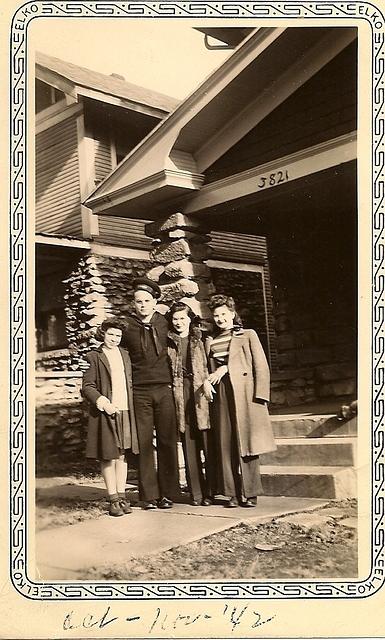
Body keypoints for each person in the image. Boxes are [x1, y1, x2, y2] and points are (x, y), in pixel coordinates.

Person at [206, 294, 276, 508]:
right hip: (221, 393)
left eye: (224, 314)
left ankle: (250, 491)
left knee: (246, 444)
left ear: (232, 314)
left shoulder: (247, 334)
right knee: (225, 443)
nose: (220, 319)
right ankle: (232, 493)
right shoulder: (211, 339)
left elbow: (261, 366)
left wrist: (261, 396)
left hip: (245, 394)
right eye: (216, 315)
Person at [121, 277, 180, 510]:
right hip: (140, 392)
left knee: (167, 440)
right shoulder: (127, 326)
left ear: (155, 301)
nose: (143, 305)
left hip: (164, 389)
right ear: (133, 304)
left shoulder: (165, 323)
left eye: (147, 300)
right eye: (138, 301)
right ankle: (148, 496)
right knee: (144, 443)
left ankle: (167, 493)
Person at [82, 318, 139, 517]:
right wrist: (103, 403)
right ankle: (112, 498)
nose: (114, 339)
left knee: (122, 455)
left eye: (118, 336)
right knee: (108, 455)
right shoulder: (94, 356)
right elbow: (87, 387)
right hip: (106, 410)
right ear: (103, 334)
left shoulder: (125, 355)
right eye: (111, 334)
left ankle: (122, 495)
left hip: (125, 409)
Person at [167, 301, 216, 506]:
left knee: (207, 441)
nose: (179, 323)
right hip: (180, 392)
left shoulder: (202, 338)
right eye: (175, 319)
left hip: (201, 392)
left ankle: (211, 492)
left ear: (190, 319)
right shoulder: (168, 341)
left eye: (182, 318)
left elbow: (212, 363)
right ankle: (196, 493)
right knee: (188, 442)